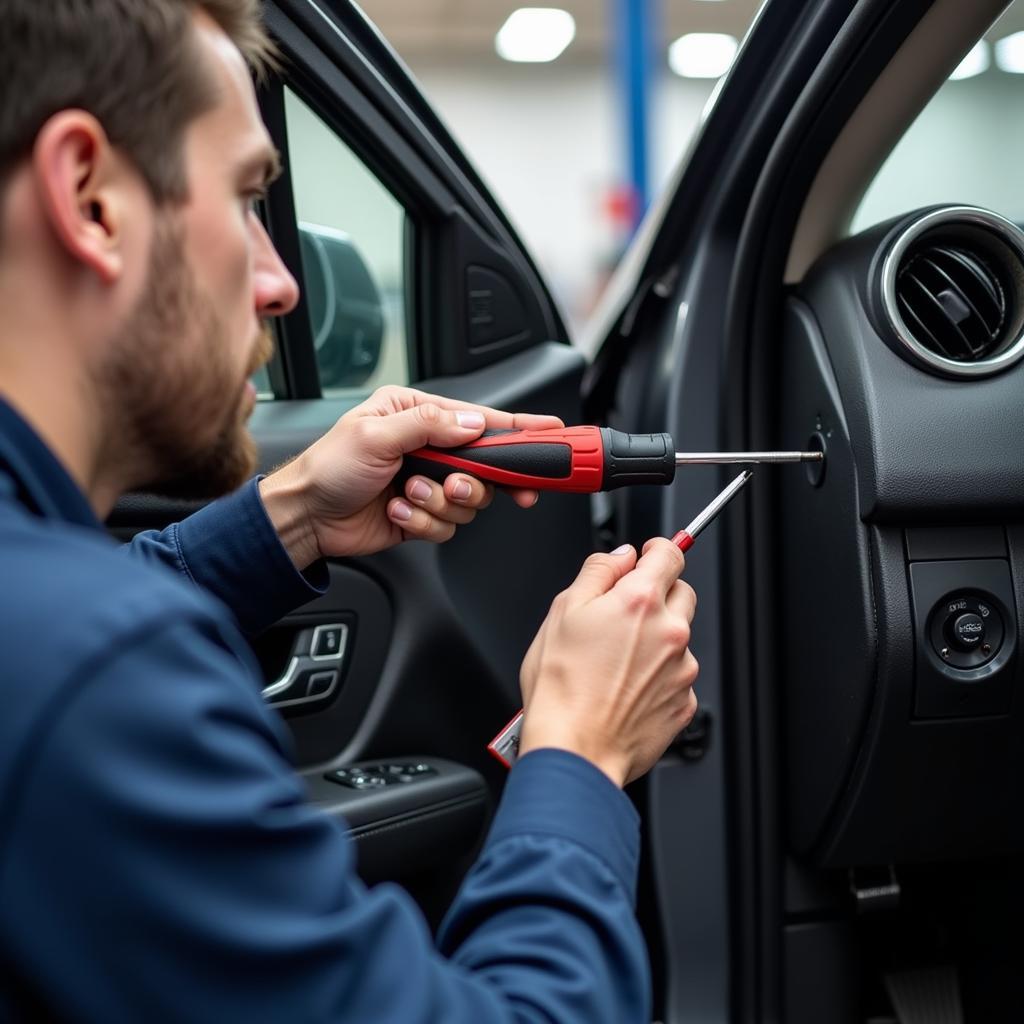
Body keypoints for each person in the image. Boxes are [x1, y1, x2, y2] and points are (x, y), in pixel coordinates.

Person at [0, 2, 699, 1020]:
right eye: (245, 198)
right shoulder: (98, 683)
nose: (283, 282)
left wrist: (288, 519)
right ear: (91, 198)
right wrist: (580, 753)